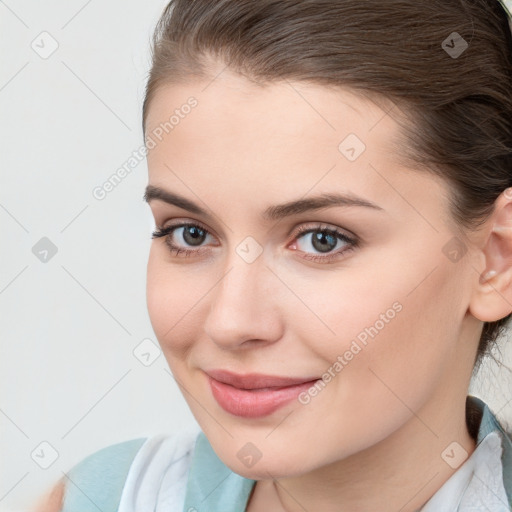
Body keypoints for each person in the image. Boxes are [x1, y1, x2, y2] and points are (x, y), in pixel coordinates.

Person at [34, 0, 512, 510]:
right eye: (191, 234)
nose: (230, 322)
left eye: (321, 239)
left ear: (494, 260)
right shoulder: (104, 496)